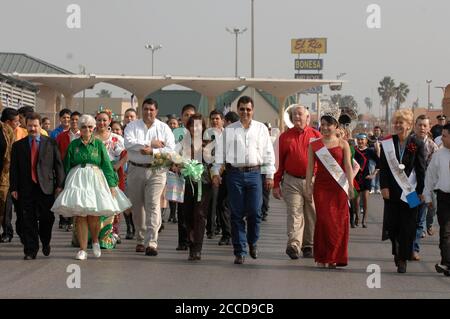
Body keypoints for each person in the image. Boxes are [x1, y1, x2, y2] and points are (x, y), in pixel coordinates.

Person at [51, 114, 131, 260]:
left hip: (95, 179)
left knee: (94, 214)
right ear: (79, 129)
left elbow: (106, 165)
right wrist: (61, 185)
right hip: (77, 181)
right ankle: (82, 249)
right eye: (83, 127)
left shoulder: (99, 144)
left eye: (89, 127)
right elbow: (66, 165)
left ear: (93, 128)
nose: (86, 130)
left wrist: (112, 185)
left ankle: (95, 240)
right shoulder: (73, 145)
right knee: (80, 215)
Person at [212, 96, 275, 264]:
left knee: (255, 212)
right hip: (235, 175)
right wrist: (216, 172)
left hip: (255, 174)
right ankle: (240, 250)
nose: (245, 112)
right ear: (237, 110)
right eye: (242, 109)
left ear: (252, 110)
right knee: (237, 213)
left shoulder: (261, 129)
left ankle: (252, 241)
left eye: (248, 109)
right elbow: (220, 154)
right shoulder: (230, 130)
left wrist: (269, 175)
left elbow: (268, 152)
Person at [10, 112, 65, 260]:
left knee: (47, 218)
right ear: (25, 126)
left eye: (35, 126)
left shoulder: (50, 143)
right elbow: (14, 168)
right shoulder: (18, 146)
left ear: (40, 126)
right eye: (30, 126)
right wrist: (14, 188)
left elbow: (58, 165)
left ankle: (45, 241)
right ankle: (30, 250)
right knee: (28, 220)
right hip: (26, 188)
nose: (32, 128)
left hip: (46, 188)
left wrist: (59, 185)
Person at [124, 98, 175, 256]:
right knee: (137, 206)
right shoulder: (132, 126)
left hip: (157, 170)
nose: (148, 112)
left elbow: (170, 150)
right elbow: (129, 144)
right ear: (141, 110)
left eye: (151, 109)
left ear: (156, 111)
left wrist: (153, 152)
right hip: (135, 169)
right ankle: (140, 238)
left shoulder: (164, 128)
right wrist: (150, 143)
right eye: (145, 109)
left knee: (153, 205)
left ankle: (152, 242)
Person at [305, 110, 354, 269]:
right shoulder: (315, 144)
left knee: (338, 223)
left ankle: (334, 257)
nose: (324, 128)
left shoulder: (343, 144)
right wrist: (308, 187)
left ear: (336, 126)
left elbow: (347, 166)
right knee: (324, 221)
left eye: (328, 125)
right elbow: (310, 168)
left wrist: (351, 186)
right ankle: (322, 256)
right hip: (322, 188)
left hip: (339, 188)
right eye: (322, 124)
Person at [380, 109, 426, 273]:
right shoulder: (388, 143)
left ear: (408, 125)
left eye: (402, 122)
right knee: (392, 225)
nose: (398, 125)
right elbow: (384, 168)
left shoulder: (417, 143)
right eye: (396, 122)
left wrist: (421, 191)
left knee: (408, 226)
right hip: (391, 190)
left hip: (411, 192)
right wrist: (383, 186)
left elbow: (421, 170)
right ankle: (397, 250)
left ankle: (402, 258)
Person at [273, 105, 321, 260]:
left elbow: (323, 161)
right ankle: (294, 244)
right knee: (294, 213)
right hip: (291, 181)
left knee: (311, 213)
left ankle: (309, 245)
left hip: (312, 181)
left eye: (300, 114)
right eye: (294, 115)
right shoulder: (284, 137)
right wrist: (275, 183)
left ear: (308, 118)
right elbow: (279, 162)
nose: (297, 117)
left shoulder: (316, 136)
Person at [175, 114, 213, 260]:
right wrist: (176, 164)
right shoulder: (182, 143)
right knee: (187, 214)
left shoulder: (208, 144)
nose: (195, 128)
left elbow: (216, 163)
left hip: (203, 184)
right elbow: (173, 156)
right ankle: (191, 239)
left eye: (198, 125)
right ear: (188, 127)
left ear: (203, 127)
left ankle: (197, 248)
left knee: (200, 214)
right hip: (186, 183)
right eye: (192, 125)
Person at [410, 115, 439, 261]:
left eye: (424, 125)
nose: (422, 128)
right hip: (409, 188)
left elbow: (434, 170)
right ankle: (405, 247)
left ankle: (414, 249)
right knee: (409, 218)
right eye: (419, 125)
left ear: (428, 128)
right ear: (414, 126)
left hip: (424, 189)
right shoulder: (409, 143)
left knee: (419, 220)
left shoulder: (433, 147)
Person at [423, 123, 450, 276]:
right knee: (445, 231)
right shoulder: (439, 154)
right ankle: (446, 263)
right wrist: (427, 195)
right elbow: (430, 176)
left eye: (445, 136)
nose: (442, 139)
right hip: (444, 196)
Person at [173, 104, 196, 250]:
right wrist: (176, 164)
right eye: (186, 115)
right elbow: (172, 152)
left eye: (191, 115)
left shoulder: (202, 135)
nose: (189, 118)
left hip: (197, 178)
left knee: (196, 211)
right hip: (181, 177)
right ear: (181, 117)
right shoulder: (176, 134)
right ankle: (183, 241)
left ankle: (194, 239)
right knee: (182, 210)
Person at [205, 110, 224, 238]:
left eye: (217, 118)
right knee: (212, 200)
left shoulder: (227, 134)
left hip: (226, 170)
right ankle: (210, 229)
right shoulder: (207, 134)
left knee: (223, 202)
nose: (214, 121)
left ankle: (221, 225)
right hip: (211, 169)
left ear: (222, 120)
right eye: (212, 118)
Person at [353, 133, 379, 228]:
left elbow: (379, 163)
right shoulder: (354, 150)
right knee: (356, 201)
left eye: (362, 140)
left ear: (366, 141)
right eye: (359, 139)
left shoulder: (370, 151)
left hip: (366, 177)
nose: (360, 142)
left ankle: (364, 220)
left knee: (365, 200)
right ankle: (357, 217)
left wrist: (373, 175)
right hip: (356, 178)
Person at [0, 115, 15, 243]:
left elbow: (11, 151)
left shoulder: (6, 130)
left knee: (4, 205)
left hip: (4, 175)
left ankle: (7, 231)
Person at [369, 126, 383, 194]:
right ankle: (372, 187)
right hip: (372, 159)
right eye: (375, 130)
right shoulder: (370, 139)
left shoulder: (383, 139)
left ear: (380, 131)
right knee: (372, 172)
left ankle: (378, 188)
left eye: (378, 130)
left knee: (379, 174)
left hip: (381, 159)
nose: (376, 131)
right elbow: (368, 147)